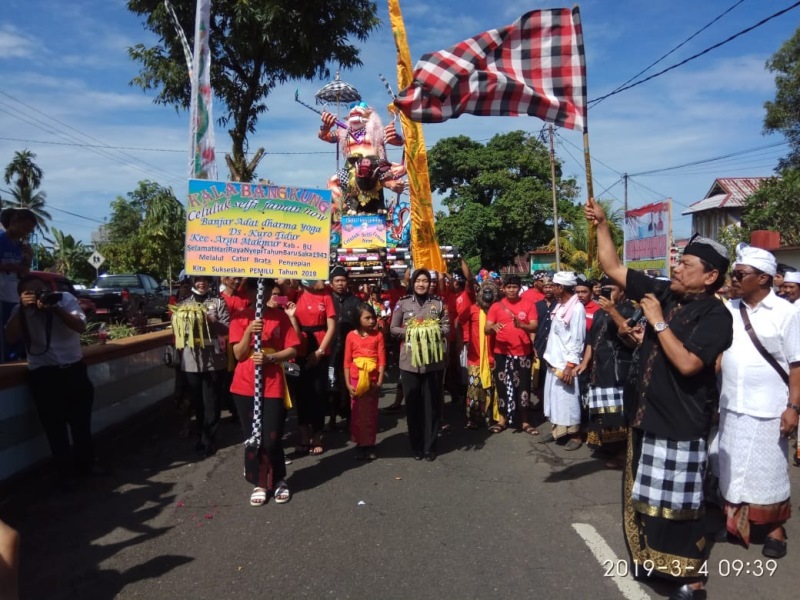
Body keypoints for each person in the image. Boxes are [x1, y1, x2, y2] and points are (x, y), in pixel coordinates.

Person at [587, 197, 733, 600]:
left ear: (711, 277)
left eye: (687, 265)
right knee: (647, 501)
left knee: (680, 508)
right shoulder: (666, 293)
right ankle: (655, 563)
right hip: (646, 415)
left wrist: (657, 322)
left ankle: (691, 578)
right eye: (679, 262)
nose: (677, 268)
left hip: (682, 424)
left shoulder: (717, 316)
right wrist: (602, 225)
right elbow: (612, 268)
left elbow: (688, 365)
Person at [717, 244, 800, 558]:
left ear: (764, 278)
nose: (734, 279)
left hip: (768, 408)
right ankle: (738, 525)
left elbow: (797, 364)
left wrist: (793, 407)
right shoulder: (729, 309)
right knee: (734, 466)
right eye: (733, 273)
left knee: (768, 472)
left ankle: (775, 530)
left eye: (741, 274)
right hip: (732, 405)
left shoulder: (787, 313)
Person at [4, 274, 95, 489]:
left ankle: (87, 466)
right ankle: (65, 474)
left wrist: (54, 308)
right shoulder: (21, 311)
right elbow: (10, 337)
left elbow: (80, 327)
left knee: (81, 422)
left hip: (74, 370)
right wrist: (23, 308)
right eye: (31, 292)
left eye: (40, 290)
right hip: (44, 376)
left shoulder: (65, 299)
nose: (38, 295)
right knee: (55, 428)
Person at [229, 278, 300, 506]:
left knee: (272, 436)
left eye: (267, 289)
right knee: (253, 437)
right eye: (256, 289)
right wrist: (249, 331)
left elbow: (292, 348)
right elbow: (238, 354)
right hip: (244, 385)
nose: (261, 293)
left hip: (272, 384)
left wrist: (271, 358)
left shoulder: (279, 316)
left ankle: (278, 478)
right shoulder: (239, 317)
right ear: (248, 292)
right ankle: (259, 482)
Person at [390, 269, 449, 461]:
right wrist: (411, 331)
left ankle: (429, 446)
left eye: (425, 281)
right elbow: (393, 329)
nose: (422, 284)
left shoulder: (438, 303)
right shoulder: (403, 303)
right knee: (413, 406)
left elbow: (447, 326)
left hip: (433, 362)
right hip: (409, 363)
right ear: (413, 283)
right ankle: (416, 446)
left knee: (431, 406)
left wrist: (432, 329)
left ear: (430, 283)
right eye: (418, 281)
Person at [576, 277, 635, 467]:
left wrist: (612, 310)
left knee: (617, 412)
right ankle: (609, 446)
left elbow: (632, 336)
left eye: (611, 289)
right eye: (604, 290)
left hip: (617, 370)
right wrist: (585, 362)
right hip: (599, 368)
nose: (606, 293)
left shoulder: (630, 310)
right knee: (603, 410)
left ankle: (622, 453)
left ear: (623, 291)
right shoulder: (600, 313)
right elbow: (591, 341)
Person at [174, 275, 230, 457]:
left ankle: (210, 439)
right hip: (192, 359)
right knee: (197, 401)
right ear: (192, 282)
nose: (201, 283)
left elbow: (227, 329)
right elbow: (177, 329)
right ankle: (201, 434)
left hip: (213, 358)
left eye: (205, 280)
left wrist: (213, 322)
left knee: (211, 401)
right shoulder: (184, 305)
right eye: (198, 280)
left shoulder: (218, 302)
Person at [484, 274, 538, 433]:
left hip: (523, 353)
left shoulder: (528, 305)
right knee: (502, 387)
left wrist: (522, 325)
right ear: (503, 288)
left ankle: (525, 422)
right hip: (502, 353)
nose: (512, 290)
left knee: (523, 388)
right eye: (509, 287)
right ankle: (503, 420)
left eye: (515, 287)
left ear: (519, 288)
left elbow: (534, 326)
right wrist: (492, 328)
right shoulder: (496, 306)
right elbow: (486, 329)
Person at [539, 271, 586, 449]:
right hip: (554, 361)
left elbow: (577, 339)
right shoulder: (560, 306)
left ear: (561, 288)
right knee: (556, 400)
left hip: (566, 364)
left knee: (568, 400)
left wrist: (570, 366)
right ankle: (557, 431)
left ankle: (575, 436)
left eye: (554, 286)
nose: (551, 288)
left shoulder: (577, 308)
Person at [292, 279, 337, 455]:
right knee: (300, 393)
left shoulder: (325, 296)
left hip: (320, 347)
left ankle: (317, 435)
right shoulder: (295, 293)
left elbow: (331, 326)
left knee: (318, 393)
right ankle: (304, 435)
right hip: (298, 345)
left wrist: (320, 351)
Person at [344, 303, 386, 460]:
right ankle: (359, 443)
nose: (371, 321)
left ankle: (369, 443)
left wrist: (380, 382)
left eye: (373, 317)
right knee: (356, 412)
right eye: (367, 318)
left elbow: (382, 361)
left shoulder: (378, 336)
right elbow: (347, 362)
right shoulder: (350, 336)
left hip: (372, 379)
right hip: (356, 379)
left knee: (370, 413)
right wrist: (348, 383)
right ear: (358, 319)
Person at [459, 280, 499, 428]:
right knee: (474, 390)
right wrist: (461, 341)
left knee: (492, 390)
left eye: (491, 292)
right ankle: (473, 419)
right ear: (480, 293)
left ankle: (491, 418)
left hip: (494, 356)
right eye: (485, 292)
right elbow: (458, 322)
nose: (487, 295)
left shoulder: (499, 309)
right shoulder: (472, 309)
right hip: (475, 358)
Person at [0, 208, 36, 361]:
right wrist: (15, 268)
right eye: (24, 228)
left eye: (29, 231)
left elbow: (24, 271)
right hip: (1, 296)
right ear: (13, 222)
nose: (25, 233)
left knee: (18, 331)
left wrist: (29, 256)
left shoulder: (19, 246)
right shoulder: (1, 240)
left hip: (15, 295)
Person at [328, 266, 360, 430]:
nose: (340, 284)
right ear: (331, 283)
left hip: (351, 352)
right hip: (330, 350)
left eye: (343, 280)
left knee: (348, 384)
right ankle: (332, 417)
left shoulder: (355, 302)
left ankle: (349, 416)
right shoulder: (326, 300)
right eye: (337, 281)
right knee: (331, 384)